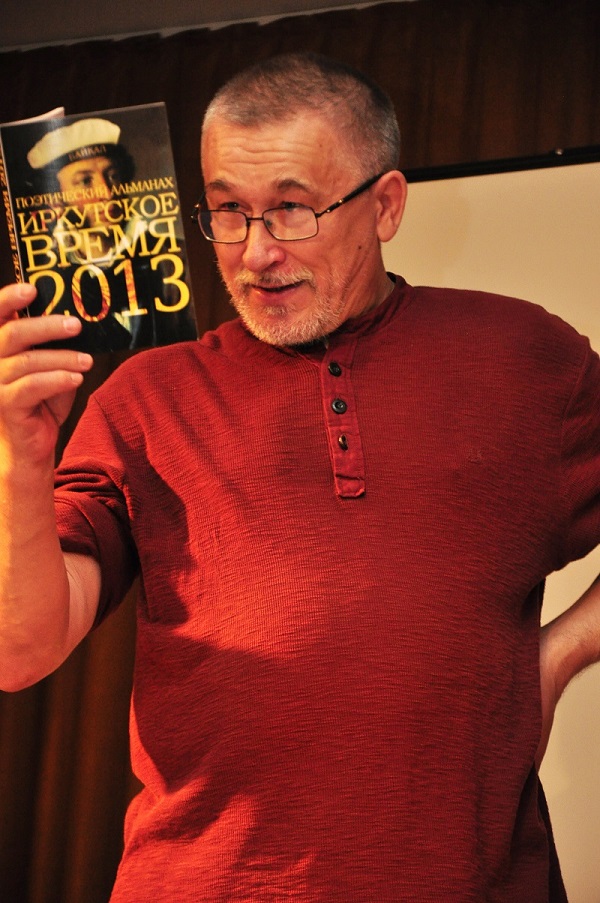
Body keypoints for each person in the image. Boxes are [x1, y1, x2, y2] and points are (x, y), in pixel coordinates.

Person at [0, 51, 599, 903]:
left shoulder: (526, 358)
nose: (255, 253)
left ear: (384, 205)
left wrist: (558, 654)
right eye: (227, 212)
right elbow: (19, 649)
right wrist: (20, 462)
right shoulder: (145, 395)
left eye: (291, 209)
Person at [24, 116, 196, 351]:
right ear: (55, 197)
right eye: (85, 181)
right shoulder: (40, 276)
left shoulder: (176, 257)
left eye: (113, 176)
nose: (106, 192)